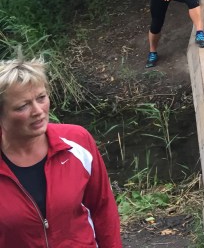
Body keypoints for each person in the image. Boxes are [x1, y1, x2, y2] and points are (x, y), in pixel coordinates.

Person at [0, 59, 122, 247]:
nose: (38, 111)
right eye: (23, 106)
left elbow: (103, 209)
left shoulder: (77, 141)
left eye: (41, 98)